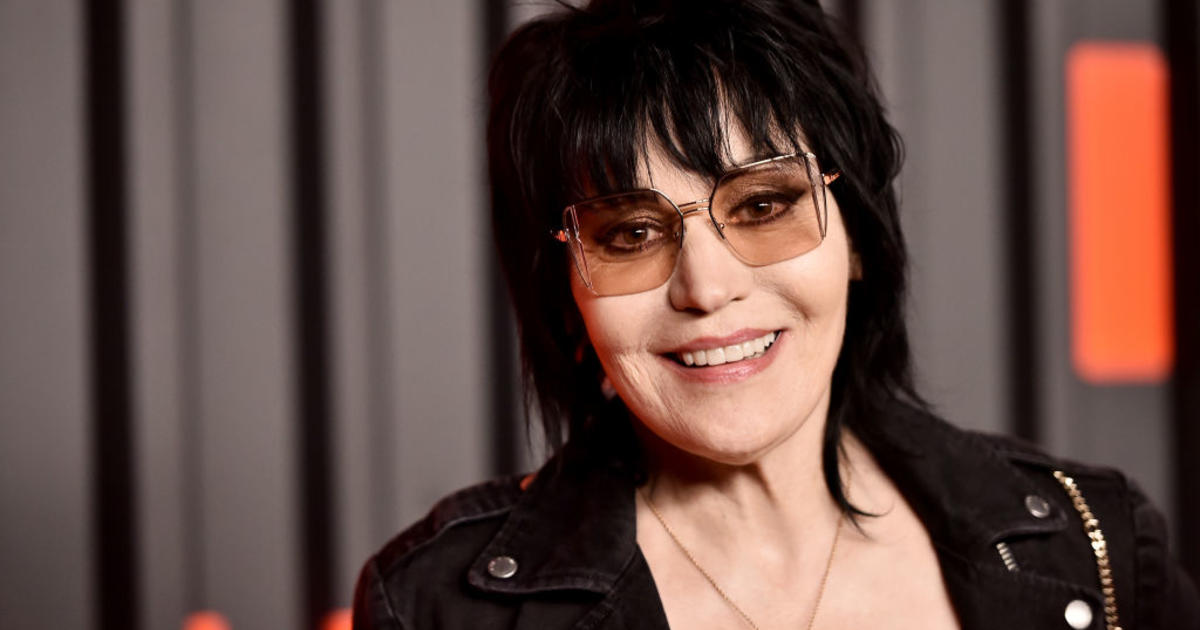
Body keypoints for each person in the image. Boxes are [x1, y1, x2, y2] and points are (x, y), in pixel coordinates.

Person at [352, 1, 1200, 628]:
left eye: (761, 205)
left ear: (857, 237)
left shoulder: (1100, 549)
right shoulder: (434, 607)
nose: (708, 288)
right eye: (633, 232)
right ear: (567, 295)